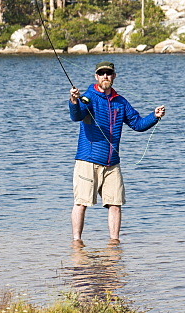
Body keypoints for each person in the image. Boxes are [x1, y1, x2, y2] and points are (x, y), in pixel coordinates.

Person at [69, 60, 165, 243]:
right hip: (88, 160)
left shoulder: (120, 102)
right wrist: (74, 100)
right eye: (102, 73)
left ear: (114, 76)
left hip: (112, 163)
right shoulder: (88, 97)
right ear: (96, 77)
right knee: (81, 203)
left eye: (109, 73)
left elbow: (137, 124)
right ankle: (76, 242)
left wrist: (154, 117)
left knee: (115, 204)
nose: (105, 76)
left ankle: (114, 244)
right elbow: (76, 116)